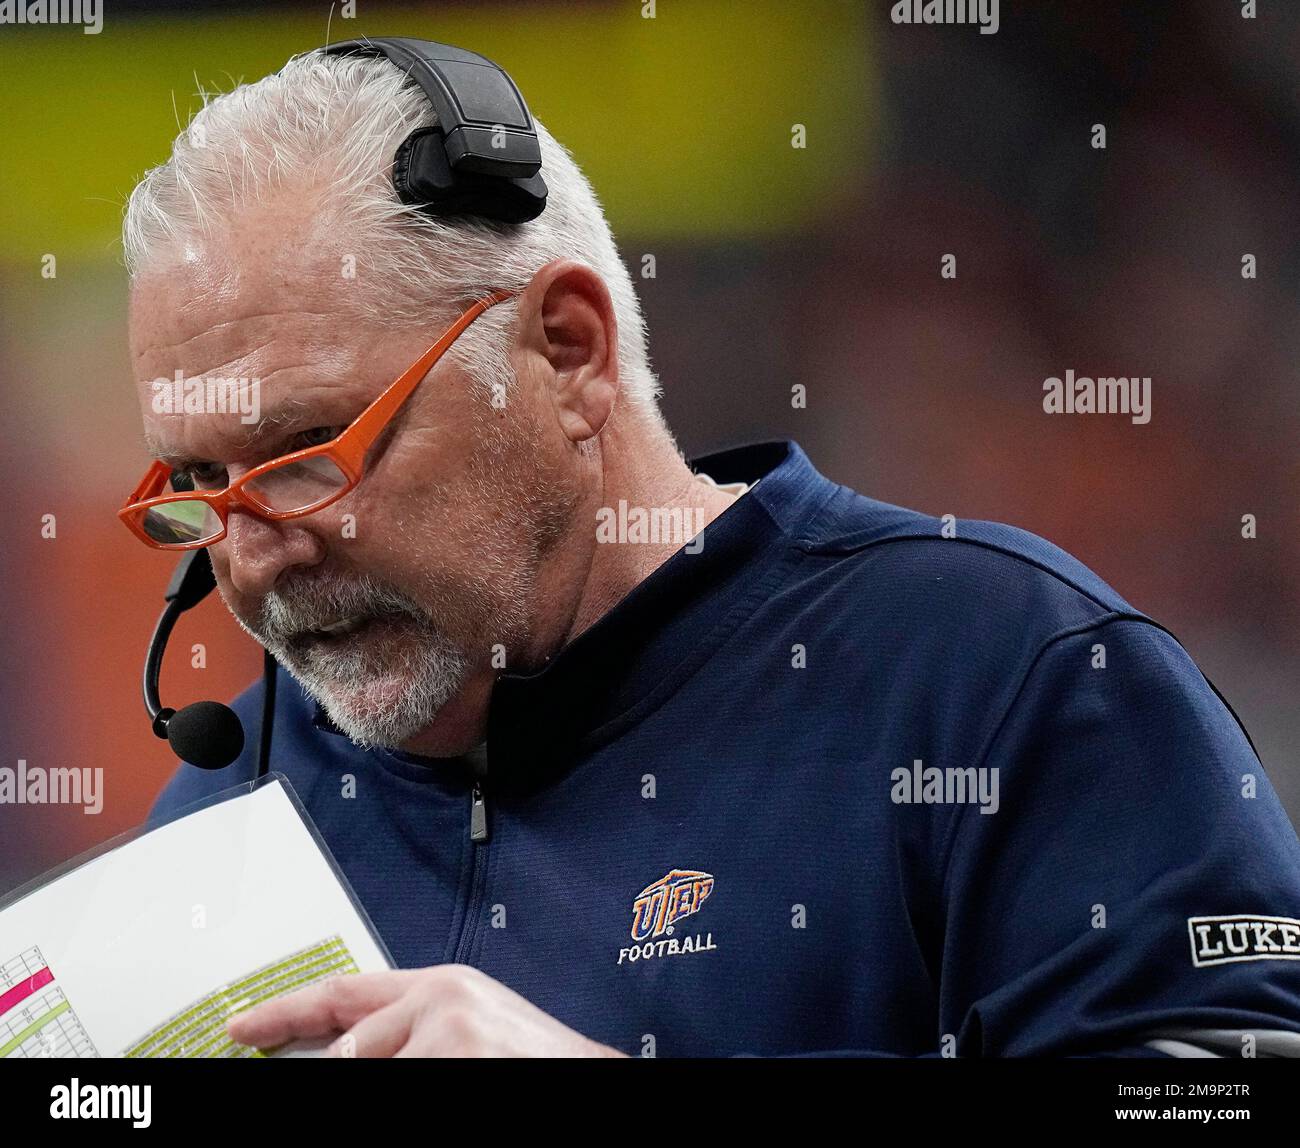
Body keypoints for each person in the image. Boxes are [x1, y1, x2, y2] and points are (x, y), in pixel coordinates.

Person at [122, 45, 1300, 1058]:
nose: (254, 552)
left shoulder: (999, 677)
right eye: (194, 482)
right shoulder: (230, 812)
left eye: (311, 446)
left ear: (570, 353)